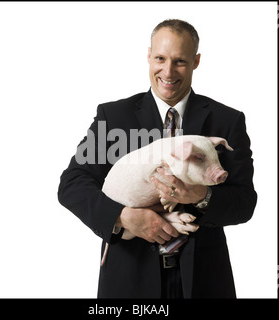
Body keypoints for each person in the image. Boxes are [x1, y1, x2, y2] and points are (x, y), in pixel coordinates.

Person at [58, 19, 257, 298]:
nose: (168, 71)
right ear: (148, 56)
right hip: (130, 279)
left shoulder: (227, 121)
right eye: (160, 58)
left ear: (196, 61)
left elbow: (244, 203)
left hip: (203, 279)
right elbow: (72, 184)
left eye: (180, 61)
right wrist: (124, 218)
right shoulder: (113, 117)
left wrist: (202, 196)